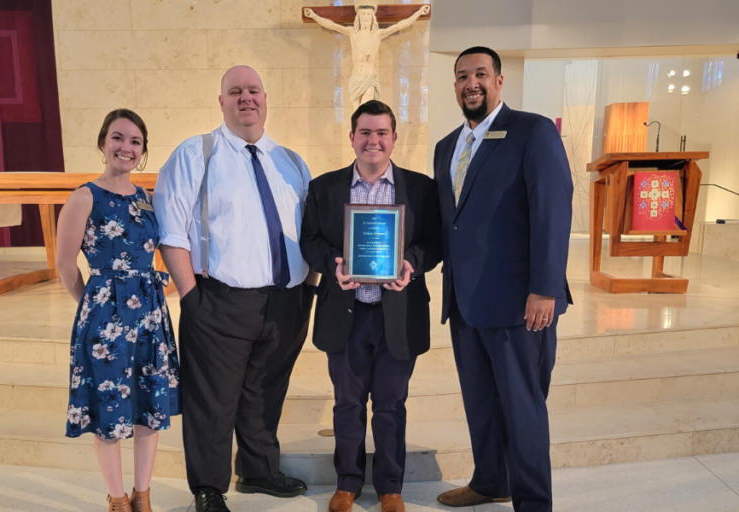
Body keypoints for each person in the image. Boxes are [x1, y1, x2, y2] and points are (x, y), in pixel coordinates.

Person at [153, 65, 316, 512]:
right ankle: (208, 488)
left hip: (287, 301)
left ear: (266, 98)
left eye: (254, 90)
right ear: (221, 101)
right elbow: (171, 231)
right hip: (219, 300)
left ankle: (260, 471)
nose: (246, 98)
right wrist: (191, 296)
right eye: (235, 91)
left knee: (267, 390)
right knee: (213, 399)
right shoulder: (197, 153)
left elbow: (313, 232)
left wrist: (309, 289)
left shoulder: (292, 161)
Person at [433, 47, 573, 512]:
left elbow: (552, 210)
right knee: (480, 402)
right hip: (465, 302)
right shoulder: (446, 146)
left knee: (523, 409)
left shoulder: (531, 131)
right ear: (454, 85)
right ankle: (490, 481)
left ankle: (533, 503)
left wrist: (546, 287)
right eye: (461, 76)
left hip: (519, 301)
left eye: (480, 74)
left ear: (499, 80)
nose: (470, 83)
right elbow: (449, 225)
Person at [300, 100, 442, 512]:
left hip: (398, 313)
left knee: (391, 404)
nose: (373, 141)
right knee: (346, 403)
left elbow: (434, 243)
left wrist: (412, 263)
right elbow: (310, 241)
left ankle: (389, 487)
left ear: (394, 139)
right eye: (365, 132)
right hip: (345, 311)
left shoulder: (421, 188)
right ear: (352, 138)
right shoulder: (324, 188)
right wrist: (334, 265)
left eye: (381, 133)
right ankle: (347, 483)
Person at [56, 109, 181, 512]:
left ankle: (143, 495)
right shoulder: (85, 196)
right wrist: (94, 310)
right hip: (105, 320)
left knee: (149, 406)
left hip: (150, 317)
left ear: (143, 151)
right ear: (103, 143)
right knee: (108, 408)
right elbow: (63, 264)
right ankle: (117, 499)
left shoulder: (147, 198)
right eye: (117, 138)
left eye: (135, 142)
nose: (125, 147)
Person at [304, 1, 430, 107]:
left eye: (368, 14)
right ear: (358, 17)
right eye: (363, 14)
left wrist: (419, 13)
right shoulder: (352, 33)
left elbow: (399, 26)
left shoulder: (377, 34)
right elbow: (332, 25)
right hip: (355, 79)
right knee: (356, 117)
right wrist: (314, 16)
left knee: (364, 111)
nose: (365, 17)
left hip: (369, 79)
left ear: (372, 17)